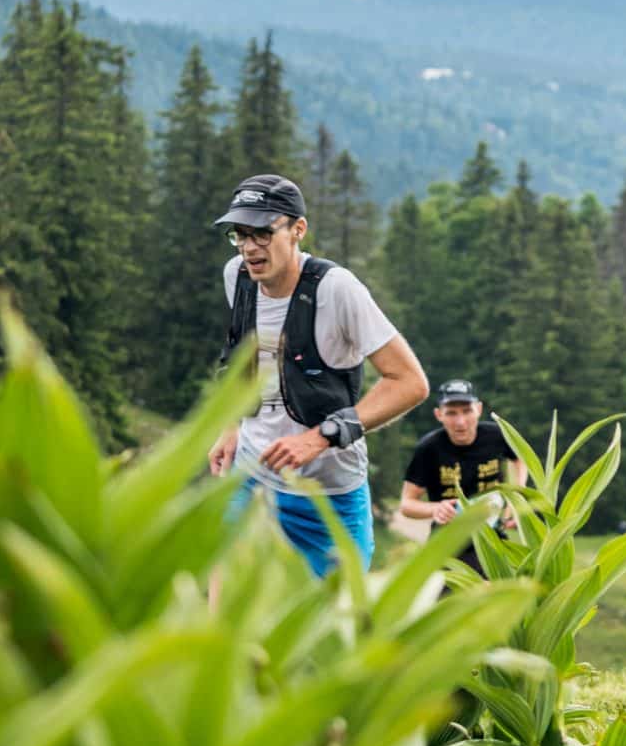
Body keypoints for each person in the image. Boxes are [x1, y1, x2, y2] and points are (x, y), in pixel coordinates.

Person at [207, 173, 429, 576]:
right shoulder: (237, 276)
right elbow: (243, 360)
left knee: (337, 627)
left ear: (298, 230)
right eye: (240, 235)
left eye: (261, 233)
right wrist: (231, 425)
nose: (249, 248)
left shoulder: (335, 290)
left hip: (328, 495)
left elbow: (409, 382)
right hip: (252, 476)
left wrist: (320, 437)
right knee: (229, 615)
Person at [401, 379, 529, 546]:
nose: (460, 422)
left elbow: (521, 459)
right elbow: (407, 505)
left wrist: (517, 498)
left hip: (492, 536)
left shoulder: (497, 435)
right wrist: (436, 508)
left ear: (479, 409)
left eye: (467, 411)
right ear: (439, 415)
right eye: (451, 413)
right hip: (448, 540)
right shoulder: (429, 448)